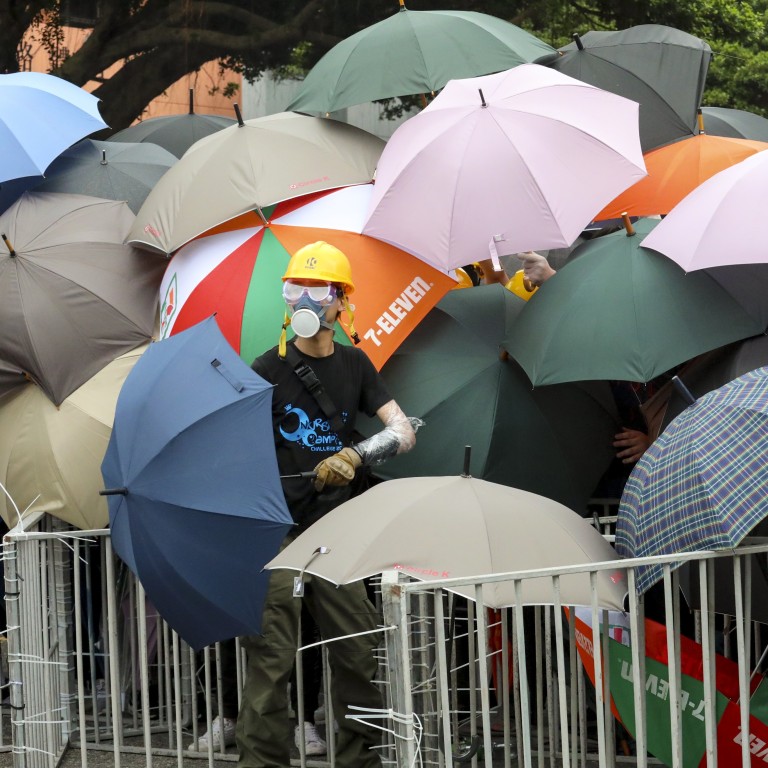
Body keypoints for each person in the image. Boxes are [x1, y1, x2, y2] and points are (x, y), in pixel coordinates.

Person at [237, 241, 417, 768]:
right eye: (295, 291)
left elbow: (405, 430)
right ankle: (261, 761)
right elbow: (239, 447)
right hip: (278, 533)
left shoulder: (357, 364)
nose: (305, 302)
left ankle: (360, 760)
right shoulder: (267, 368)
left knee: (357, 652)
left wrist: (355, 456)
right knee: (271, 658)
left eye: (317, 292)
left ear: (341, 303)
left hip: (337, 534)